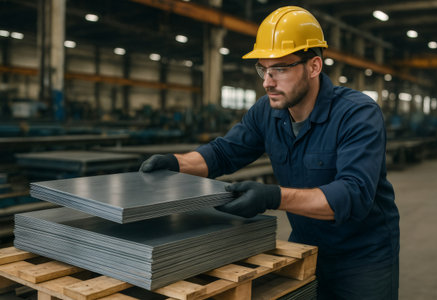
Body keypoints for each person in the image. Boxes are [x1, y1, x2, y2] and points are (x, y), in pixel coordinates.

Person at [140, 6, 399, 300]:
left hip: (361, 255)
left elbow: (352, 196)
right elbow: (225, 152)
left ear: (314, 66)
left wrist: (273, 196)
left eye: (280, 69)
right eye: (263, 68)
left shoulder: (357, 114)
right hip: (304, 242)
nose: (267, 82)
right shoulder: (267, 111)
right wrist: (175, 163)